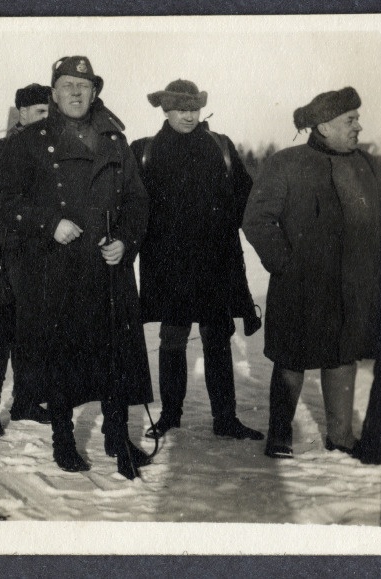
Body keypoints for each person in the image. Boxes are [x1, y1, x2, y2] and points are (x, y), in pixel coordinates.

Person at [0, 56, 153, 479]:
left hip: (107, 265)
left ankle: (117, 438)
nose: (77, 93)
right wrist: (50, 223)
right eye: (67, 85)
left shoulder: (115, 140)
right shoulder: (29, 141)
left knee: (115, 356)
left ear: (95, 92)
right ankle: (63, 440)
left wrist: (126, 240)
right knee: (61, 357)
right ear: (54, 93)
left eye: (84, 86)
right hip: (57, 267)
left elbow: (138, 200)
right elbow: (4, 202)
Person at [242, 87, 381, 459]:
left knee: (344, 355)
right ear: (323, 125)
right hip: (300, 286)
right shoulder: (286, 163)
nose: (358, 126)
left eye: (357, 118)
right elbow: (257, 219)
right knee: (291, 358)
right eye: (349, 120)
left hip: (353, 285)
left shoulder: (367, 164)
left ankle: (341, 436)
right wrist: (285, 265)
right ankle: (279, 434)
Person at [131, 80, 264, 443]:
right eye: (181, 109)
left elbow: (245, 196)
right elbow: (130, 204)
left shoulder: (219, 146)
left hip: (215, 262)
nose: (189, 115)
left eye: (194, 108)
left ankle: (226, 419)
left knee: (217, 337)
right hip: (167, 264)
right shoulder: (144, 151)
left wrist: (222, 223)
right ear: (166, 110)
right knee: (172, 338)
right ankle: (170, 416)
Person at [0, 83, 52, 437]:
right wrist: (23, 211)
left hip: (41, 255)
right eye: (40, 113)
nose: (47, 120)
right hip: (0, 255)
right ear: (21, 115)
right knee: (1, 330)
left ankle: (25, 401)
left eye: (51, 113)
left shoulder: (54, 151)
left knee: (34, 330)